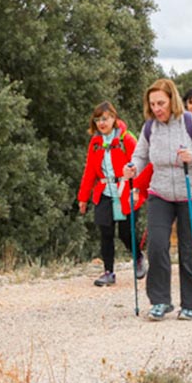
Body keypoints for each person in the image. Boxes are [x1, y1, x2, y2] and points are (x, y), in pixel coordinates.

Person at [122, 79, 192, 320]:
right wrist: (132, 167)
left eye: (161, 103)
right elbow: (140, 155)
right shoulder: (149, 127)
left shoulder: (190, 122)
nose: (157, 108)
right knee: (156, 245)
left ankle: (191, 303)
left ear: (172, 100)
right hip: (160, 192)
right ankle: (160, 301)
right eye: (152, 104)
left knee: (189, 248)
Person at [76, 102, 145, 287]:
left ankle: (138, 257)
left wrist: (137, 190)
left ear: (114, 118)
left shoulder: (126, 140)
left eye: (104, 119)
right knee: (105, 231)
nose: (101, 123)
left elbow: (140, 165)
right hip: (105, 191)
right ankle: (108, 272)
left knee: (125, 232)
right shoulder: (96, 143)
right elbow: (89, 171)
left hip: (125, 191)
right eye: (97, 120)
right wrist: (83, 198)